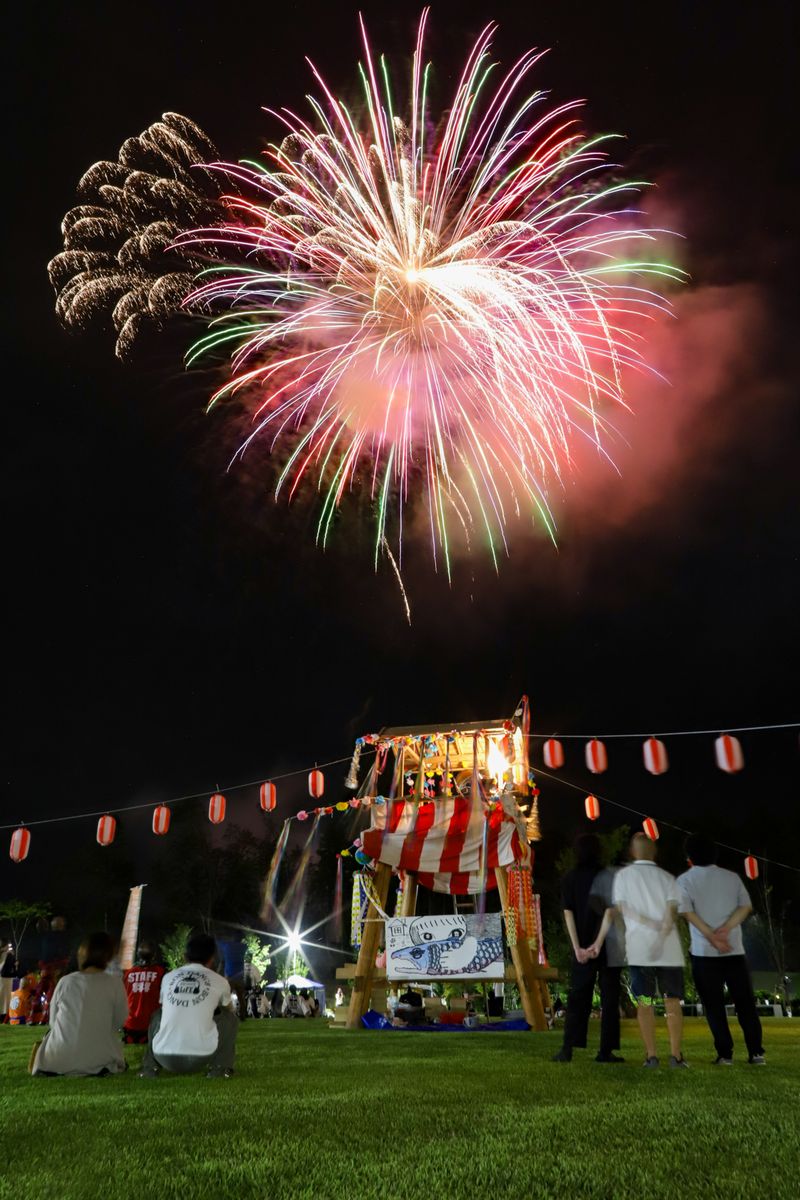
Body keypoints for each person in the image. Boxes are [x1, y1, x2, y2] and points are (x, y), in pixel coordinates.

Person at [591, 832, 688, 1068]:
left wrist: (646, 925)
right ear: (654, 852)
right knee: (672, 1001)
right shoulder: (667, 878)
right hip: (669, 950)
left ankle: (651, 1055)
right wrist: (661, 934)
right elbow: (671, 914)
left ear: (633, 852)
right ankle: (675, 1055)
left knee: (645, 1002)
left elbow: (623, 909)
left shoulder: (624, 877)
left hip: (640, 950)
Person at [677, 833, 765, 1065]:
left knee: (713, 1005)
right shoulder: (732, 877)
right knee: (745, 1003)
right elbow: (745, 907)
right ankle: (756, 1052)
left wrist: (710, 935)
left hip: (704, 953)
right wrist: (726, 929)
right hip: (734, 950)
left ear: (689, 857)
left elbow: (687, 912)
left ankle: (725, 1054)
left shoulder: (685, 880)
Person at [551, 833, 624, 1064]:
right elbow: (610, 911)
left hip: (582, 945)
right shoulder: (608, 876)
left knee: (577, 997)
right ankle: (606, 1051)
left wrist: (578, 948)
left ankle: (567, 1049)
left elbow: (568, 912)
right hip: (609, 945)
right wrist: (598, 943)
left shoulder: (570, 878)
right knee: (610, 999)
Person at [139, 932, 237, 1080]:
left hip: (163, 1057)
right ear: (212, 959)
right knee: (230, 1018)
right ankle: (219, 1068)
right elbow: (230, 1009)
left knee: (158, 1014)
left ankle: (149, 1067)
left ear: (185, 956)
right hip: (201, 1057)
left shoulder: (168, 977)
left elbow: (164, 1007)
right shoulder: (219, 981)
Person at [31, 932, 128, 1076]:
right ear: (107, 956)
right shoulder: (115, 983)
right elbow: (119, 1021)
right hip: (99, 1060)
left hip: (56, 1060)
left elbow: (53, 1022)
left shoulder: (66, 981)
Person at [123, 942, 165, 1044]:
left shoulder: (128, 973)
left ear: (138, 955)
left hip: (130, 1025)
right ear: (154, 955)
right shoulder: (160, 972)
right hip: (151, 1025)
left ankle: (132, 1038)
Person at [218, 937, 247, 1020]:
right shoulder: (244, 947)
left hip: (230, 976)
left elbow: (218, 942)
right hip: (240, 976)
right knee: (241, 998)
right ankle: (242, 1016)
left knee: (226, 997)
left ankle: (224, 1016)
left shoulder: (227, 945)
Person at [1, 944, 17, 1022]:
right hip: (5, 979)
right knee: (5, 998)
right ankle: (4, 1016)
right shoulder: (8, 955)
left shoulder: (6, 954)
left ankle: (4, 1015)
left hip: (4, 979)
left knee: (4, 997)